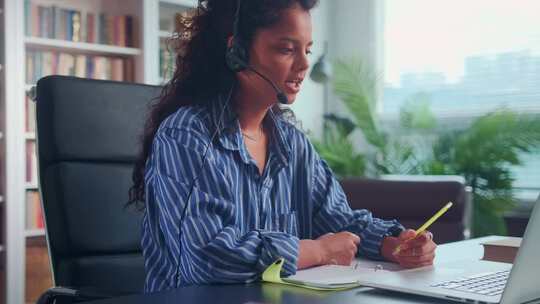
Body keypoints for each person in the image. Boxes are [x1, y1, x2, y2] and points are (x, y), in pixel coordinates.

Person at [127, 0, 437, 293]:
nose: (303, 64)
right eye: (286, 49)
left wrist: (394, 244)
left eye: (307, 50)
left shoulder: (291, 143)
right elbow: (208, 257)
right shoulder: (187, 136)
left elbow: (338, 219)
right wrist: (315, 250)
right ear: (237, 51)